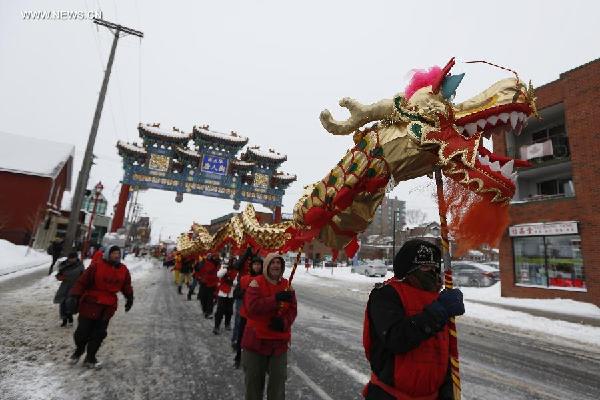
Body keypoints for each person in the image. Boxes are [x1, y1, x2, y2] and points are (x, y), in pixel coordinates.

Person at [362, 239, 465, 400]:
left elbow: (444, 353)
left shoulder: (438, 298)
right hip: (390, 395)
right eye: (425, 266)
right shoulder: (386, 294)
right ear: (409, 269)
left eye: (434, 267)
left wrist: (447, 393)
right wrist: (438, 312)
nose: (431, 272)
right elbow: (396, 338)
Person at [66, 245, 134, 369]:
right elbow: (82, 282)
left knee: (99, 334)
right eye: (114, 253)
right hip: (90, 304)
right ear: (108, 254)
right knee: (82, 332)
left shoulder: (123, 269)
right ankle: (79, 351)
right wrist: (74, 296)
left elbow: (126, 285)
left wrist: (129, 298)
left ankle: (90, 357)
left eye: (118, 253)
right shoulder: (96, 265)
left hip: (107, 307)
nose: (116, 255)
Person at [241, 253, 297, 400]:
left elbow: (292, 310)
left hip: (279, 344)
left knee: (278, 386)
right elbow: (251, 307)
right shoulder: (256, 283)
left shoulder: (288, 286)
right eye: (272, 263)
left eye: (279, 263)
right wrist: (275, 299)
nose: (276, 265)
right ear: (266, 266)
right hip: (256, 342)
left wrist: (284, 322)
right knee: (253, 385)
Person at [233, 254, 263, 369]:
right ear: (251, 266)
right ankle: (238, 357)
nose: (257, 267)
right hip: (246, 313)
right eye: (255, 264)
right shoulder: (244, 279)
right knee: (242, 336)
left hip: (259, 315)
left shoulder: (265, 279)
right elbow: (236, 293)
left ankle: (257, 360)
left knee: (258, 338)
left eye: (259, 264)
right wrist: (246, 293)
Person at [53, 251, 84, 327]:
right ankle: (64, 319)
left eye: (73, 258)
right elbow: (59, 274)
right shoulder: (63, 264)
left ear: (76, 258)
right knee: (62, 302)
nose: (71, 260)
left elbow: (83, 276)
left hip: (74, 286)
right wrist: (60, 277)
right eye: (70, 258)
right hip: (65, 286)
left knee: (70, 302)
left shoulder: (80, 265)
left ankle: (70, 318)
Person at [213, 258, 239, 334]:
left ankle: (227, 324)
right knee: (220, 311)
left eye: (235, 262)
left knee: (229, 310)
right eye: (232, 262)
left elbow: (237, 282)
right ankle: (216, 326)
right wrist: (225, 269)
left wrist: (231, 282)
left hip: (231, 293)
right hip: (223, 293)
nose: (234, 263)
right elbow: (218, 274)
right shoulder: (224, 268)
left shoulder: (237, 271)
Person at [198, 254, 220, 318]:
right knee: (203, 298)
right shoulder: (202, 262)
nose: (209, 256)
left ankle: (209, 312)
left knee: (210, 298)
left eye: (210, 255)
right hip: (203, 282)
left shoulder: (215, 262)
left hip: (212, 283)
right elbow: (198, 268)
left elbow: (216, 269)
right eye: (208, 255)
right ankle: (205, 310)